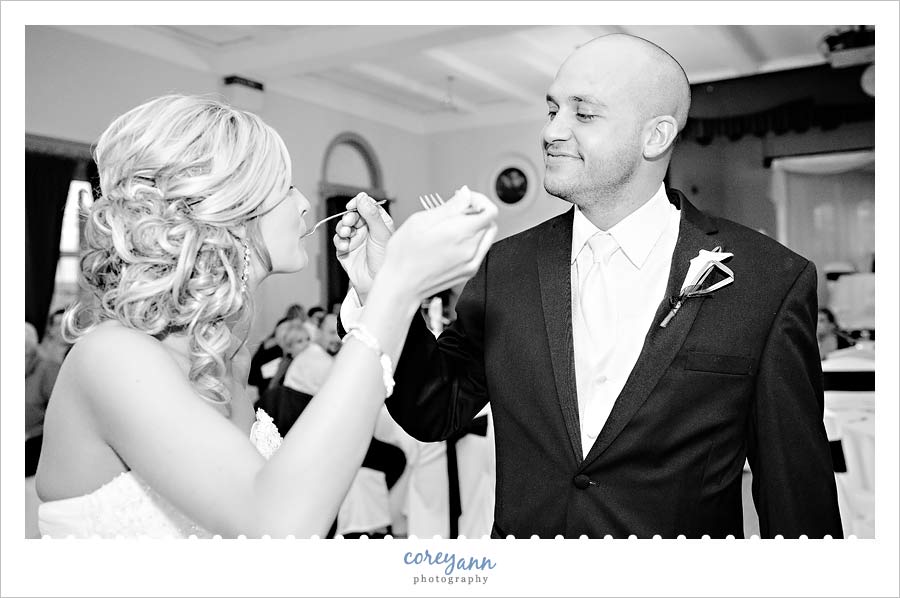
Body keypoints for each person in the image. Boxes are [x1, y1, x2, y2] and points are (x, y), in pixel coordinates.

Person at [335, 34, 842, 539]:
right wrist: (382, 290)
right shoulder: (506, 267)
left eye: (583, 114)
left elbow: (796, 495)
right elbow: (435, 410)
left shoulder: (766, 280)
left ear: (655, 136)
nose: (552, 130)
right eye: (552, 109)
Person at [34, 94, 498, 539]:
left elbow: (297, 492)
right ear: (225, 207)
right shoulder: (115, 355)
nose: (304, 205)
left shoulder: (221, 358)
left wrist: (378, 289)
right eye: (286, 187)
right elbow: (276, 522)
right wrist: (397, 288)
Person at [26, 322, 61, 477]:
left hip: (34, 446)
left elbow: (59, 417)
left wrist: (31, 432)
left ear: (30, 351)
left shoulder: (48, 370)